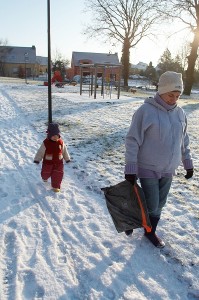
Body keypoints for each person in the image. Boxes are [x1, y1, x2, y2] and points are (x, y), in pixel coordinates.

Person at [124, 71, 194, 248]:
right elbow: (133, 139)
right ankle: (148, 230)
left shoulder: (180, 114)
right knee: (153, 203)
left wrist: (188, 163)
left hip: (169, 168)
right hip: (147, 166)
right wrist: (130, 168)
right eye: (171, 94)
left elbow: (183, 140)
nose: (174, 99)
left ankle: (143, 226)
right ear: (161, 91)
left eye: (177, 95)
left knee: (160, 203)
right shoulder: (145, 111)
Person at [34, 122, 71, 192]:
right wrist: (37, 159)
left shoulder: (61, 142)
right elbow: (40, 151)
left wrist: (67, 158)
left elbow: (64, 151)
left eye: (57, 135)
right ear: (49, 135)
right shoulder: (46, 143)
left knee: (58, 174)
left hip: (58, 163)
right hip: (48, 163)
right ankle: (45, 178)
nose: (55, 137)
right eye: (53, 136)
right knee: (45, 173)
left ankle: (56, 186)